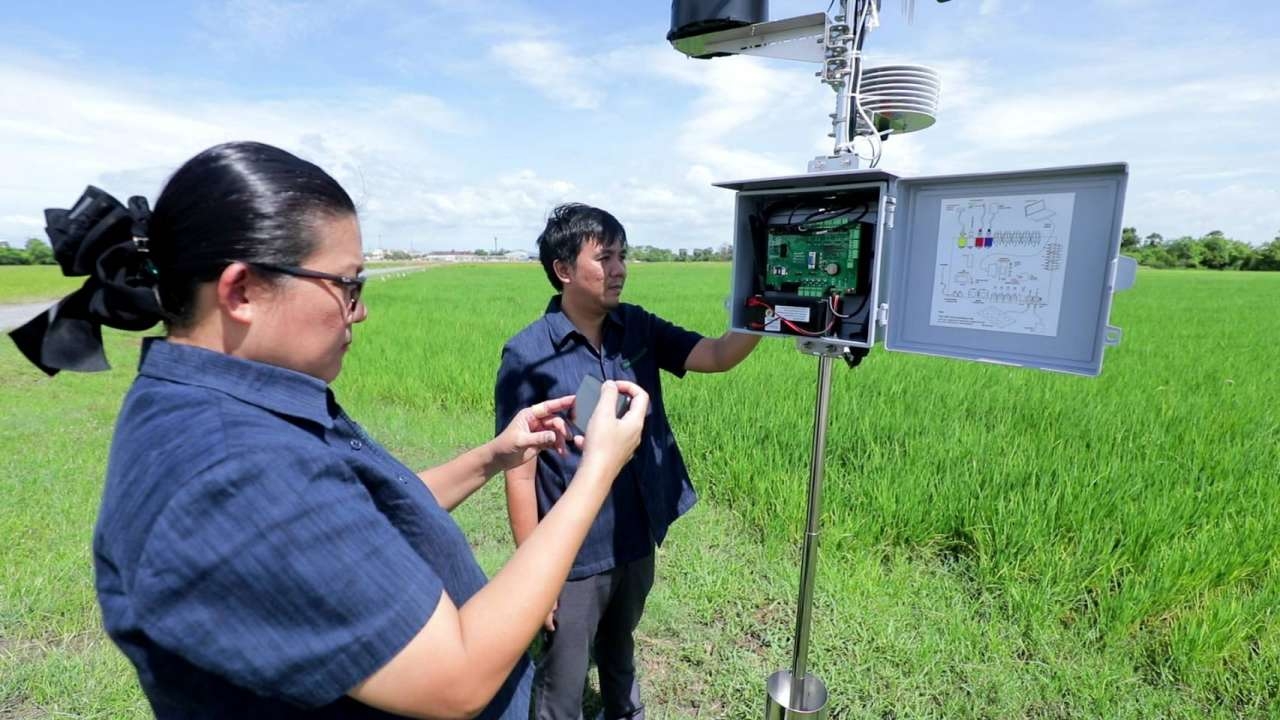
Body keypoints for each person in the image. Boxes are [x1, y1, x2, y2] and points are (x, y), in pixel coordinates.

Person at [8, 142, 650, 719]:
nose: (361, 310)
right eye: (347, 285)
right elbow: (455, 679)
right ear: (242, 291)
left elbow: (355, 516)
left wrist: (494, 456)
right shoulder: (232, 468)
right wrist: (597, 472)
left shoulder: (234, 406)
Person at [494, 203, 762, 720]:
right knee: (563, 680)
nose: (619, 269)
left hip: (635, 536)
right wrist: (535, 575)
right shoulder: (527, 355)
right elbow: (519, 469)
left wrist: (766, 313)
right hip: (571, 553)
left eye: (623, 255)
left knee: (620, 645)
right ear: (564, 270)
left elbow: (715, 355)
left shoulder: (635, 327)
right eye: (605, 257)